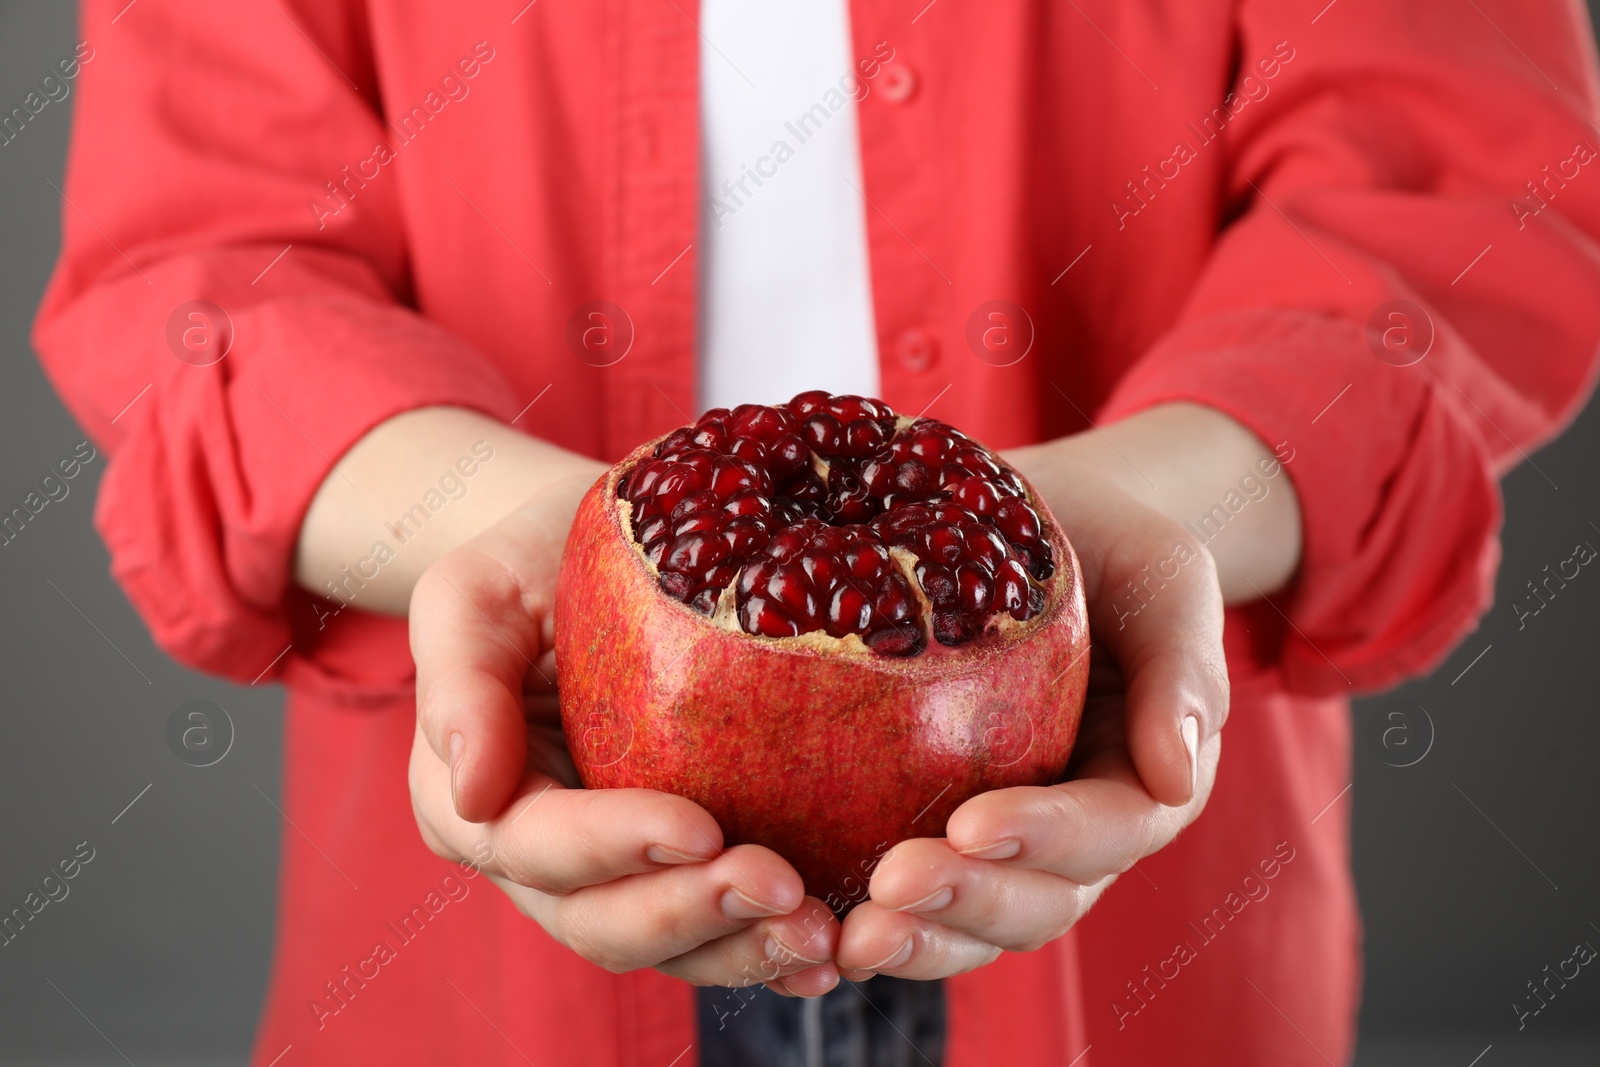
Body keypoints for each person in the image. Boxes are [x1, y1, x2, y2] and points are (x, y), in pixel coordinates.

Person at [33, 0, 1600, 1063]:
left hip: (1112, 883)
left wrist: (1140, 520)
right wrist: (535, 543)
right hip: (496, 935)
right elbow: (206, 253)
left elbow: (1458, 200)